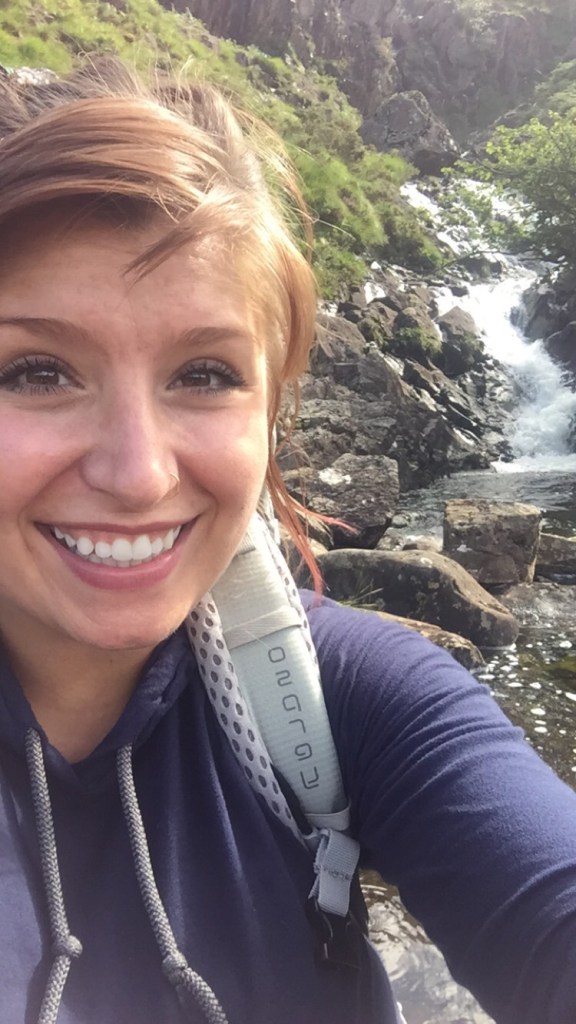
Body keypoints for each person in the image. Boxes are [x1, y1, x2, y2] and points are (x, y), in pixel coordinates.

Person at [0, 58, 574, 1024]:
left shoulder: (346, 698)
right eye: (37, 371)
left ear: (273, 412)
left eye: (205, 374)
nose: (138, 474)